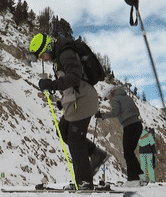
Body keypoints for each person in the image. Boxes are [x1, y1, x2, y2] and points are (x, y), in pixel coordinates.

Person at [29, 33, 108, 189]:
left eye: (43, 55)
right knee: (63, 131)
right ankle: (96, 154)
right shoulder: (60, 56)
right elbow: (69, 84)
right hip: (76, 102)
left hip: (84, 100)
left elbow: (74, 78)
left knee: (75, 139)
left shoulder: (66, 54)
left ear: (48, 48)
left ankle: (84, 182)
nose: (43, 59)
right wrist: (61, 101)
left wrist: (51, 85)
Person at [95, 86, 144, 186]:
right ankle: (140, 177)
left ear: (110, 93)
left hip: (129, 126)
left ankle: (133, 180)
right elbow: (136, 110)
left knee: (127, 153)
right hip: (138, 125)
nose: (108, 100)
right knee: (130, 153)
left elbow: (115, 112)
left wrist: (102, 115)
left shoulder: (115, 99)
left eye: (107, 98)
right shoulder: (127, 97)